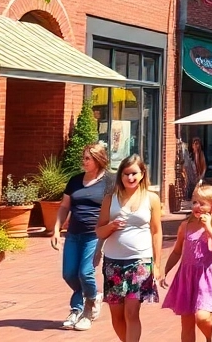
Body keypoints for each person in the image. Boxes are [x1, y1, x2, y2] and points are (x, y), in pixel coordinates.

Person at [96, 154, 163, 342]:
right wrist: (110, 226)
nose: (130, 178)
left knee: (131, 313)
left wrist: (157, 265)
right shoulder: (110, 199)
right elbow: (99, 232)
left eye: (134, 173)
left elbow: (156, 232)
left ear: (142, 174)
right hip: (113, 263)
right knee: (117, 316)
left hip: (140, 261)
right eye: (126, 174)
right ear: (120, 176)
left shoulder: (152, 199)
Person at [160, 183, 212, 342]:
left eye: (202, 203)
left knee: (202, 317)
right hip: (186, 277)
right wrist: (166, 270)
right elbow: (177, 250)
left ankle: (210, 334)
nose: (197, 206)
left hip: (206, 277)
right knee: (187, 323)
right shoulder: (185, 226)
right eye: (194, 202)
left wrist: (209, 229)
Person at [52, 141, 110, 331]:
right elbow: (64, 206)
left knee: (85, 273)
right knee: (69, 273)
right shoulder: (75, 180)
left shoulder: (109, 182)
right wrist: (56, 229)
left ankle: (85, 308)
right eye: (83, 158)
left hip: (94, 236)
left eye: (88, 158)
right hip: (73, 234)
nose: (84, 162)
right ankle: (90, 297)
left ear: (98, 160)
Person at [184, 136, 207, 208]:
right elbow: (187, 167)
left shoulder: (201, 155)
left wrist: (200, 178)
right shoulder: (190, 155)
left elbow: (203, 168)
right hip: (190, 181)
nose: (195, 145)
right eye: (193, 143)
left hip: (198, 181)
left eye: (197, 144)